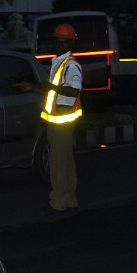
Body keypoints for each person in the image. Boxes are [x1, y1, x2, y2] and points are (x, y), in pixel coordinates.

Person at [38, 22, 82, 215]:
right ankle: (69, 199)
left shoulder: (71, 65)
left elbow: (73, 91)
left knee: (58, 163)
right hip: (57, 120)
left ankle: (58, 203)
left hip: (63, 122)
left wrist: (51, 88)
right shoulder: (59, 63)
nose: (60, 44)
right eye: (58, 41)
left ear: (71, 43)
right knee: (65, 161)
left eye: (64, 42)